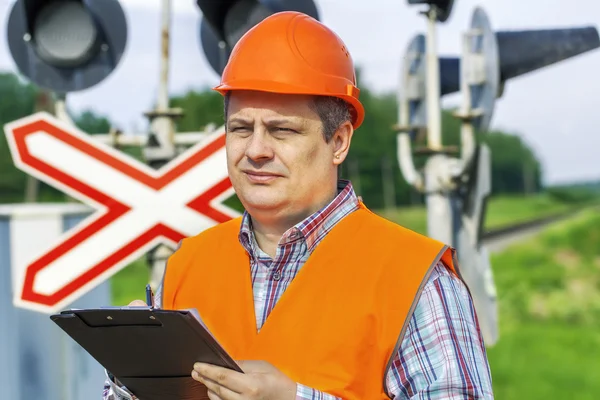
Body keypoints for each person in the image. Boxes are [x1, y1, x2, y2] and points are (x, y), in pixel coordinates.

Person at [103, 10, 494, 400]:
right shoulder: (187, 266)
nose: (255, 151)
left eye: (281, 130)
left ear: (339, 141)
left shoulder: (414, 279)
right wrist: (131, 379)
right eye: (241, 128)